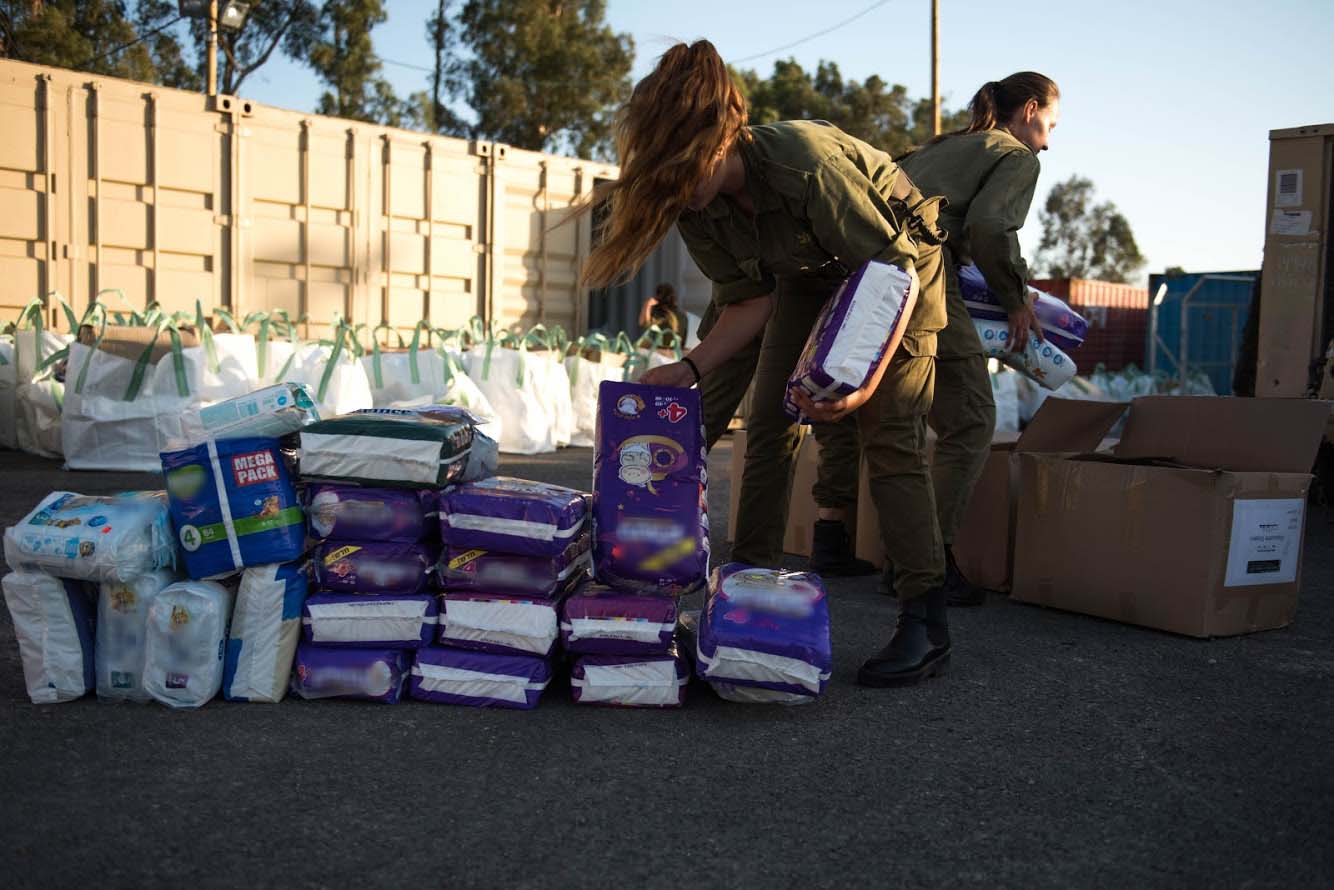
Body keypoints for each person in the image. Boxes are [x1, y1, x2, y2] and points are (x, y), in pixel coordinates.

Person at [579, 40, 950, 687]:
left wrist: (860, 390)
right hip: (808, 275)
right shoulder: (694, 204)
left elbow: (891, 272)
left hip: (897, 267)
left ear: (720, 137)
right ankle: (745, 591)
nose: (672, 186)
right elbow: (750, 301)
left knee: (886, 432)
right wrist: (689, 369)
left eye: (680, 167)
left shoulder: (801, 165)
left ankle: (926, 615)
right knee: (773, 422)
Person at [895, 72, 1060, 607]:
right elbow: (991, 228)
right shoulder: (1015, 156)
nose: (1049, 141)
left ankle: (900, 559)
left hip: (871, 281)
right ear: (1030, 110)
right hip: (924, 282)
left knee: (902, 421)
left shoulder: (948, 145)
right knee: (969, 420)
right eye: (1050, 125)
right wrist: (1015, 299)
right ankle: (929, 566)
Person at [696, 298, 873, 578]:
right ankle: (816, 543)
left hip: (743, 297)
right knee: (799, 423)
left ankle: (647, 520)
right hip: (797, 298)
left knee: (706, 416)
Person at [639, 282, 687, 348]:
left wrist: (647, 305)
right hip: (676, 351)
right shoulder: (682, 315)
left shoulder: (659, 314)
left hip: (659, 351)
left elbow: (643, 323)